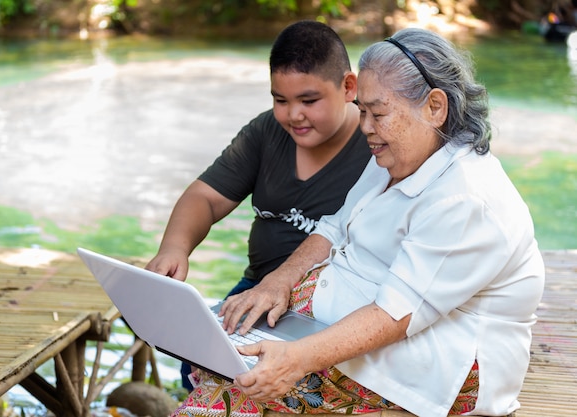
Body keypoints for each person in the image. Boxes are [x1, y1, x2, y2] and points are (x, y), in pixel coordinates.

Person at [172, 27, 546, 417]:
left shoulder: (465, 198)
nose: (365, 126)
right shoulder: (397, 153)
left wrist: (297, 357)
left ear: (435, 107)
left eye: (378, 113)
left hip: (441, 366)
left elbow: (396, 314)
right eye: (362, 110)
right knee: (218, 351)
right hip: (353, 320)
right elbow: (334, 229)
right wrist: (279, 280)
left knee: (233, 394)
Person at [145, 20, 371, 391]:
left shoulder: (374, 142)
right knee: (196, 361)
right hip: (256, 290)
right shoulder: (267, 132)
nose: (293, 115)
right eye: (280, 100)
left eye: (309, 101)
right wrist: (174, 248)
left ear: (349, 87)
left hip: (331, 305)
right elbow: (205, 197)